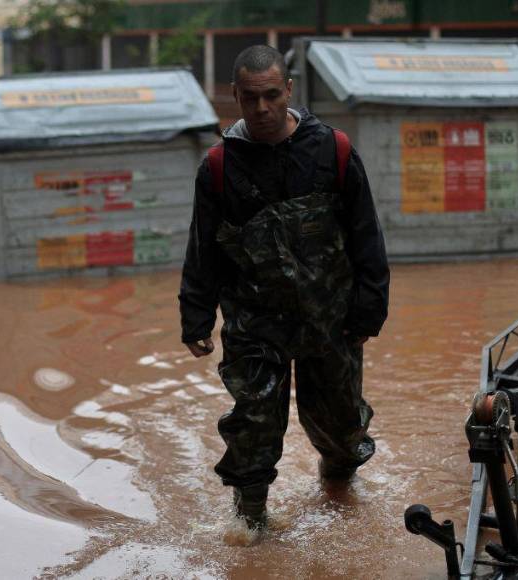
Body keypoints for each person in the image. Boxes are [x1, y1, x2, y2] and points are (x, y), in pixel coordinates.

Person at [178, 45, 390, 532]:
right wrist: (196, 317)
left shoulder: (332, 150)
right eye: (250, 98)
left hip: (330, 319)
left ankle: (339, 494)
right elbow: (203, 248)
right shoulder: (219, 166)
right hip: (255, 323)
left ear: (289, 90)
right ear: (235, 96)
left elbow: (366, 235)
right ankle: (250, 522)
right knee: (252, 426)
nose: (262, 108)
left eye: (272, 95)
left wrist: (369, 310)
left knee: (341, 427)